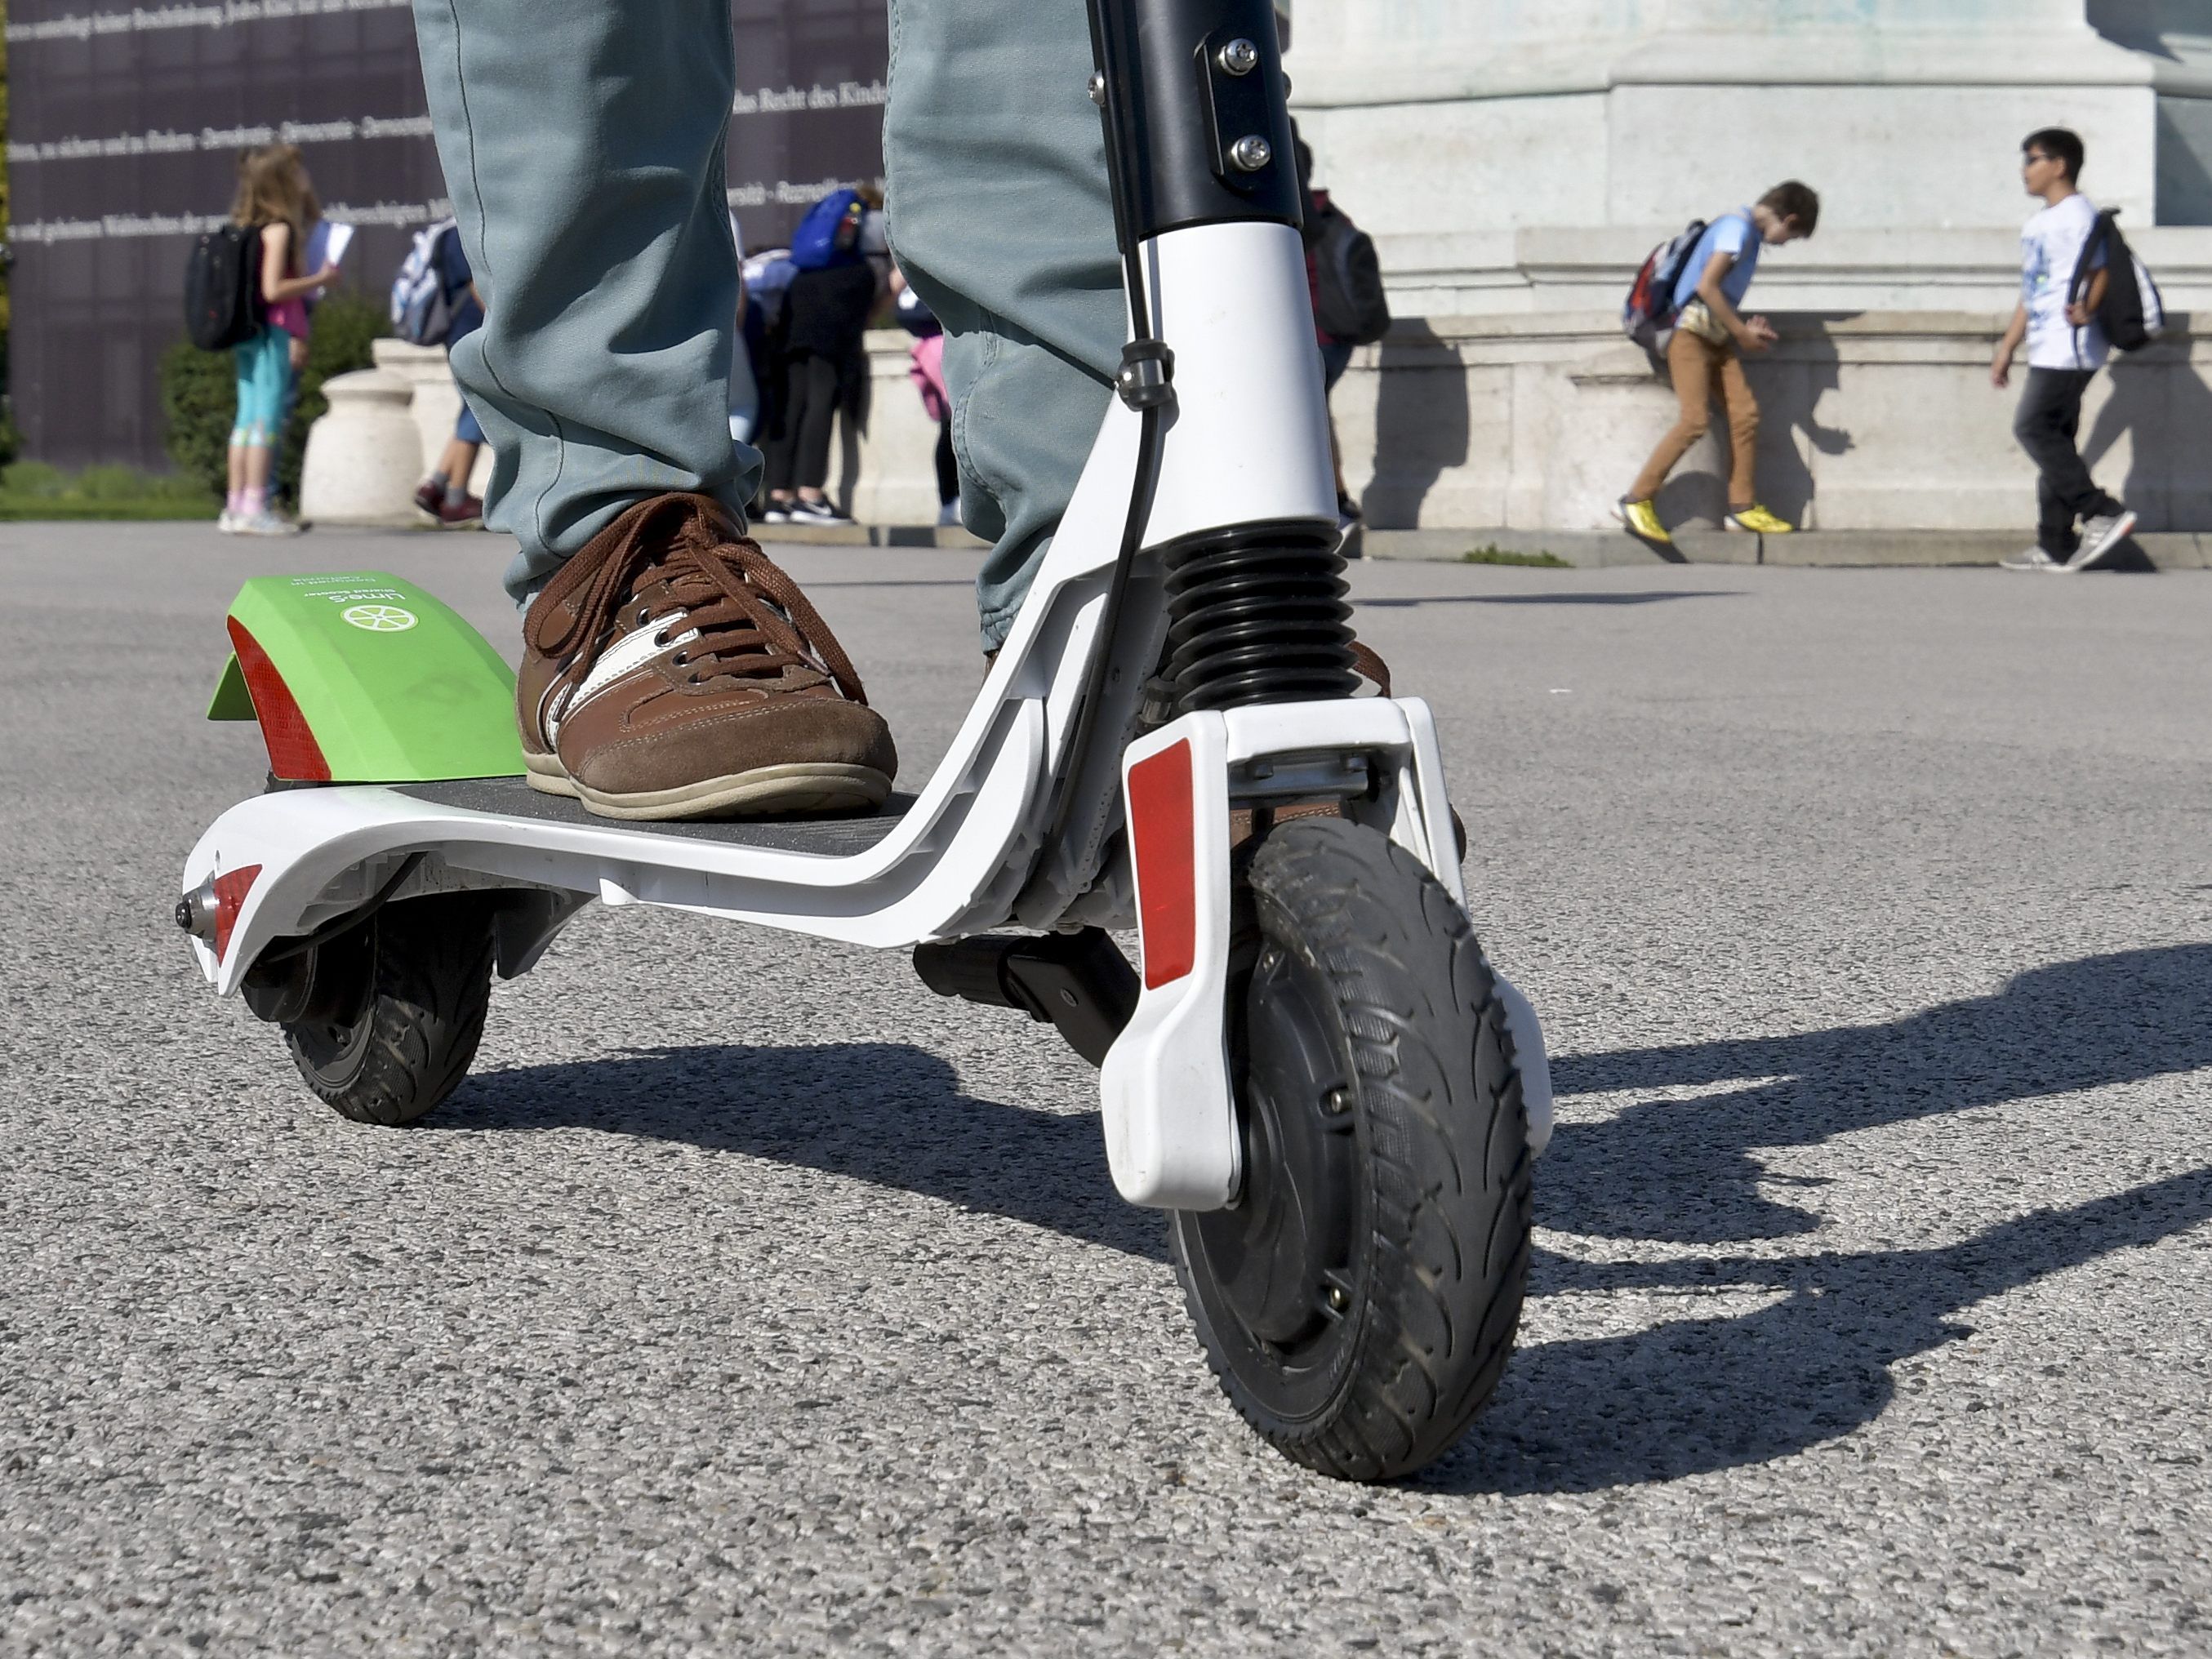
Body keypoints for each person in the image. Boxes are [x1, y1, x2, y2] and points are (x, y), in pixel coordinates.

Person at [1614, 181, 1819, 549]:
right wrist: (1742, 332)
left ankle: (1742, 506)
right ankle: (1637, 500)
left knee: (1745, 414)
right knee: (1695, 419)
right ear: (1788, 218)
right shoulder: (1735, 230)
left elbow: (1717, 294)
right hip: (1689, 334)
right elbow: (1707, 287)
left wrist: (1742, 327)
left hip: (1715, 334)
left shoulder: (1746, 235)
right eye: (1792, 235)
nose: (1786, 243)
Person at [1991, 127, 2138, 573]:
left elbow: (2104, 271)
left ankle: (2101, 511)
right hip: (2046, 343)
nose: (2024, 169)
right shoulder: (2040, 223)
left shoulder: (2078, 217)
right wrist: (2008, 346)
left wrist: (2087, 309)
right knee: (2056, 440)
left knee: (2033, 428)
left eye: (2032, 159)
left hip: (2070, 348)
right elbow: (2031, 288)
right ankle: (2054, 543)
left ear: (2059, 165)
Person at [221, 145, 336, 536]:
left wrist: (307, 197)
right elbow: (274, 289)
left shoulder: (250, 227)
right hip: (275, 333)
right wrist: (320, 280)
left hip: (250, 334)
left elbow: (315, 216)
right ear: (284, 182)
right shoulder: (281, 231)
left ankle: (237, 505)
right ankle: (256, 506)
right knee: (265, 421)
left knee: (245, 420)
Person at [759, 188, 884, 527]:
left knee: (792, 406)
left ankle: (777, 497)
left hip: (797, 320)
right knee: (820, 403)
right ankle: (810, 495)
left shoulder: (806, 268)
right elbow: (875, 302)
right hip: (830, 326)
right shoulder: (859, 261)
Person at [411, 221, 488, 527]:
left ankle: (437, 484)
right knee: (478, 406)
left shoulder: (446, 232)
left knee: (472, 405)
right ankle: (454, 496)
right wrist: (500, 322)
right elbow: (476, 282)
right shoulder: (463, 230)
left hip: (458, 327)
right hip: (473, 328)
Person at [891, 267, 961, 527]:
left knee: (950, 425)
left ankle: (950, 501)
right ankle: (954, 500)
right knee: (957, 425)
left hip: (930, 346)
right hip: (944, 344)